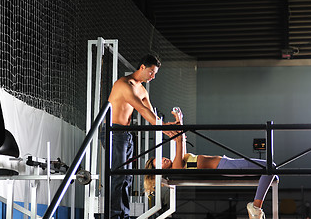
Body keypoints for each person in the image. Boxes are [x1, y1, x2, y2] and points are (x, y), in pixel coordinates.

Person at [144, 110, 278, 219]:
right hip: (225, 166)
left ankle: (256, 207)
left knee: (270, 169)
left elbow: (182, 141)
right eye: (160, 163)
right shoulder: (176, 167)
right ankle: (255, 207)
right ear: (160, 171)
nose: (163, 160)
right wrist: (175, 127)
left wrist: (180, 121)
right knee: (270, 167)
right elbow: (178, 140)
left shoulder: (179, 160)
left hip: (226, 163)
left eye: (160, 158)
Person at [102, 54, 178, 219]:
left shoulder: (142, 90)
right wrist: (163, 128)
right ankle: (115, 216)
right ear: (142, 67)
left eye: (155, 73)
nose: (153, 76)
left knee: (127, 177)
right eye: (151, 72)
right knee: (119, 175)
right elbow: (142, 110)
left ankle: (124, 213)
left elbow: (152, 115)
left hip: (126, 134)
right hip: (113, 131)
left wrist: (168, 126)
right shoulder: (123, 84)